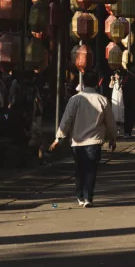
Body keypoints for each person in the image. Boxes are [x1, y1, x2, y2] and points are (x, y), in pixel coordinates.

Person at [50, 71, 118, 207]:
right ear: (97, 82)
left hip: (77, 141)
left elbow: (66, 120)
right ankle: (88, 197)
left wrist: (58, 138)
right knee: (91, 169)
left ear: (83, 83)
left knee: (79, 169)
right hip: (94, 141)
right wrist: (113, 138)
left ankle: (79, 196)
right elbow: (110, 122)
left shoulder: (74, 99)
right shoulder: (102, 100)